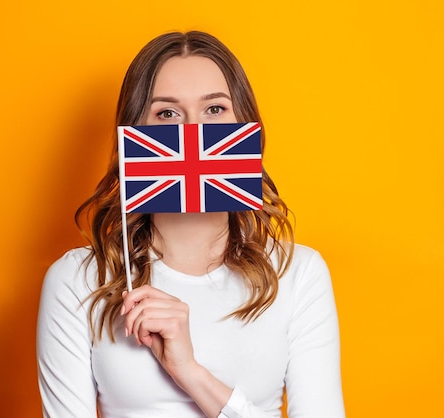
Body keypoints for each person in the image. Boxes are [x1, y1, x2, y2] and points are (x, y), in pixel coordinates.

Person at [37, 31, 345, 418]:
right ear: (134, 133)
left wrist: (190, 373)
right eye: (167, 113)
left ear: (246, 124)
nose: (192, 133)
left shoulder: (297, 274)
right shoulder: (78, 281)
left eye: (214, 109)